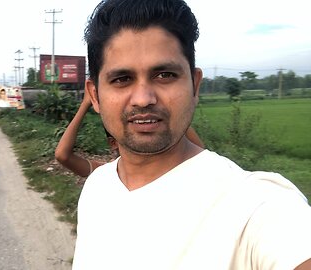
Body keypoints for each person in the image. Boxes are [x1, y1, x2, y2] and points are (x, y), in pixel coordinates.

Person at [72, 1, 311, 269]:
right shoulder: (97, 188)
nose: (143, 99)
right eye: (122, 79)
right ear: (94, 95)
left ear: (195, 85)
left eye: (164, 75)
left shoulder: (256, 205)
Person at [55, 90, 204, 177]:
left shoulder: (173, 169)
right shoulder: (106, 174)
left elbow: (200, 155)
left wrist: (171, 110)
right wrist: (86, 103)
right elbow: (63, 155)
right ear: (113, 143)